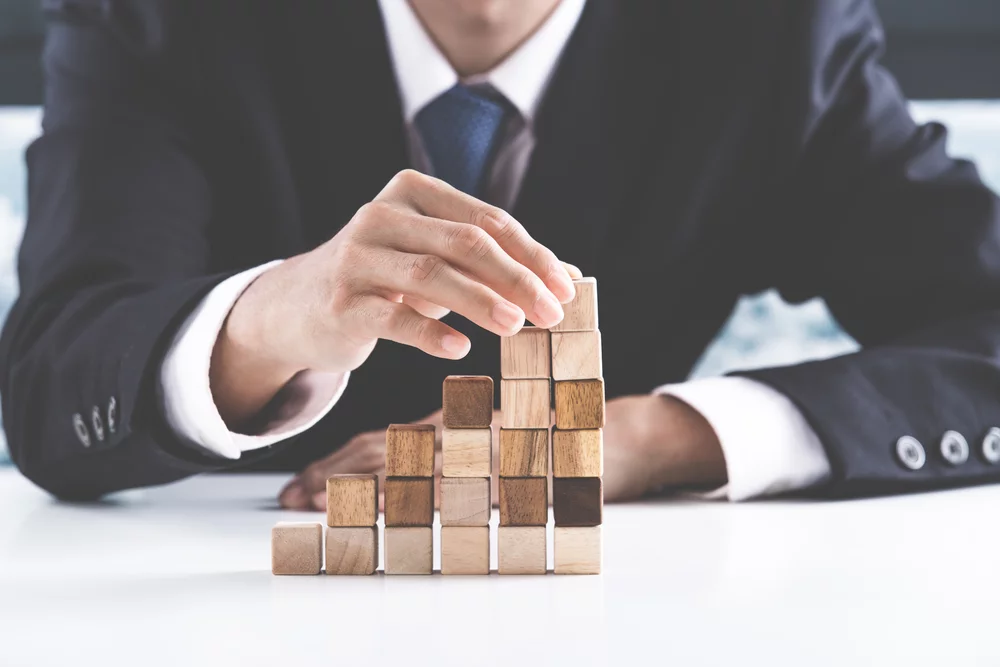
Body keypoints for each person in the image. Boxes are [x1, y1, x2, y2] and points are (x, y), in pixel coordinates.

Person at [3, 0, 1000, 506]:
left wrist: (646, 440)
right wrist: (272, 317)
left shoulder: (771, 32)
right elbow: (55, 381)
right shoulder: (160, 18)